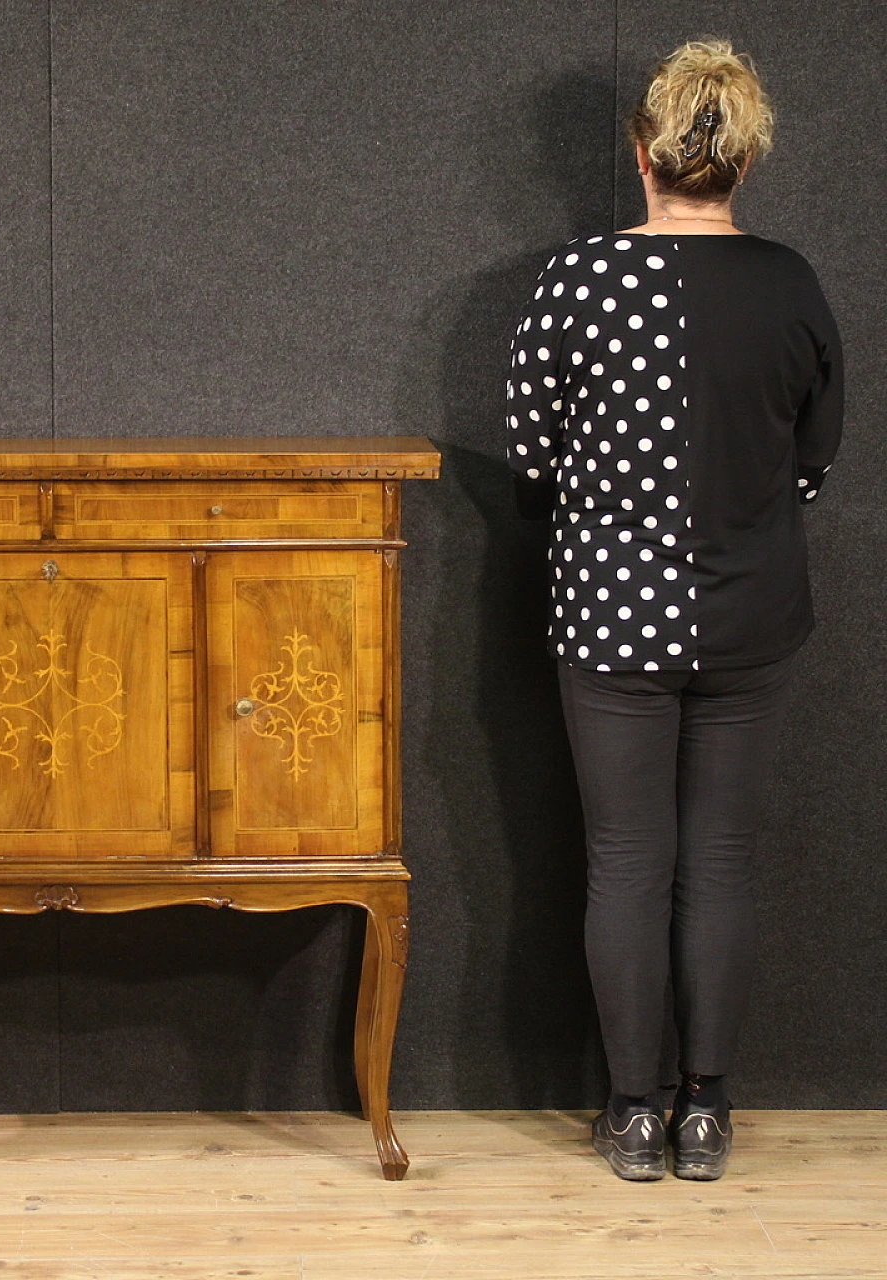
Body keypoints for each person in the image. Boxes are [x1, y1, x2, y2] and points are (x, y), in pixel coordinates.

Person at [505, 39, 843, 1181]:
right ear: (740, 160)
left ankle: (633, 1112)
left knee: (625, 861)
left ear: (641, 153)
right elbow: (812, 460)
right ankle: (707, 1109)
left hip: (607, 619)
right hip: (748, 614)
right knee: (722, 862)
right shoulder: (789, 283)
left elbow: (528, 450)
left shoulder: (576, 282)